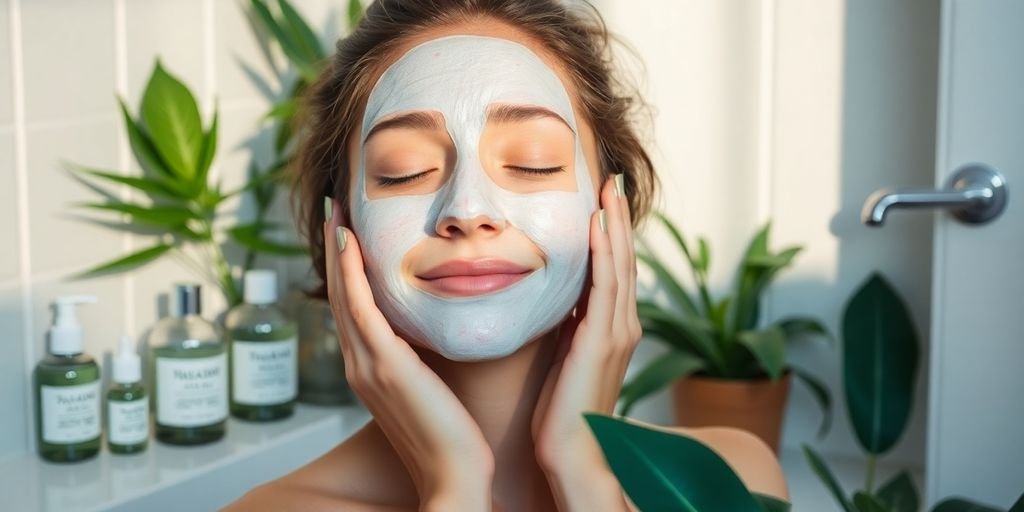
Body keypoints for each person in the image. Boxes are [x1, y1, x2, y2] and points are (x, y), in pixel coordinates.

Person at [228, 1, 788, 510]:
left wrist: (586, 477)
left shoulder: (730, 480)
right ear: (341, 221)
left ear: (611, 202)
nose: (468, 210)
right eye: (405, 169)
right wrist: (453, 485)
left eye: (534, 162)